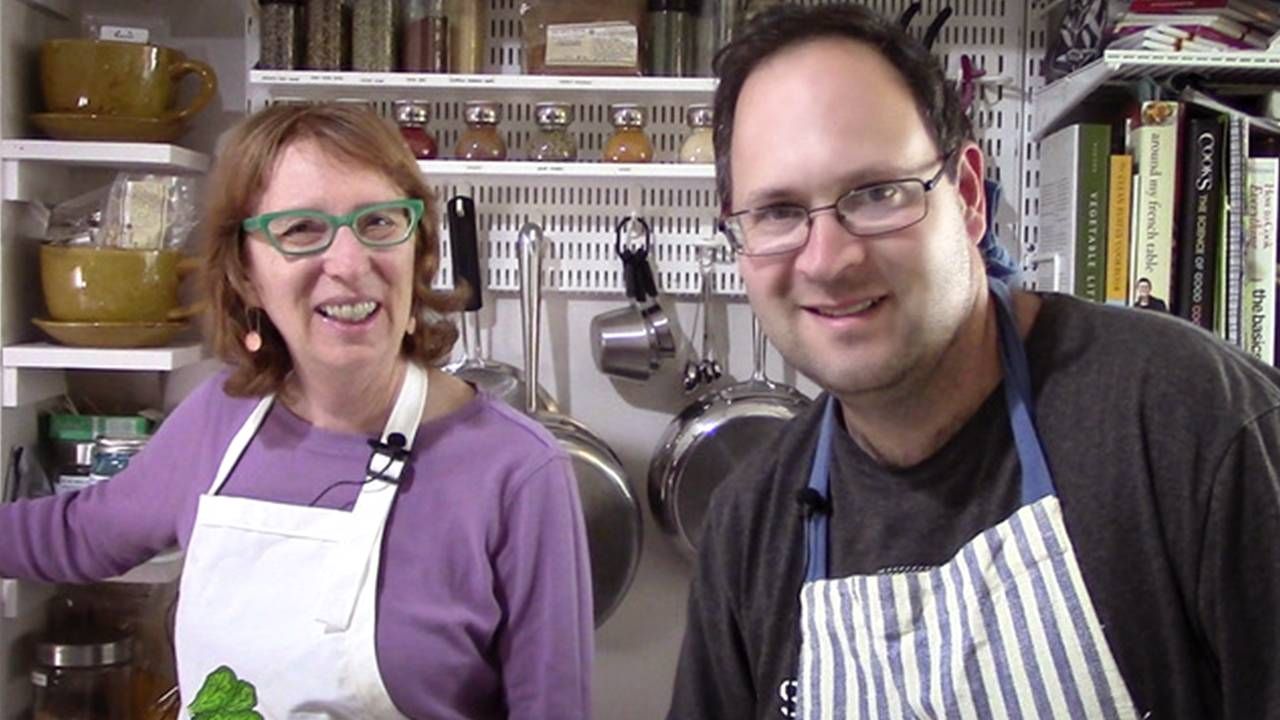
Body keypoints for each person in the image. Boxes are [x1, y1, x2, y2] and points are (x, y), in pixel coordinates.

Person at [668, 4, 1280, 719]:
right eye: (776, 211)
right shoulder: (750, 529)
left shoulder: (1191, 423)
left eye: (876, 194)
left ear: (966, 197)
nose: (829, 259)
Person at [0, 104, 593, 719]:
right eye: (303, 229)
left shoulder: (517, 472)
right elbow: (76, 535)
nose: (349, 263)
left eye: (380, 222)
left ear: (417, 254)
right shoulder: (220, 422)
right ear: (248, 275)